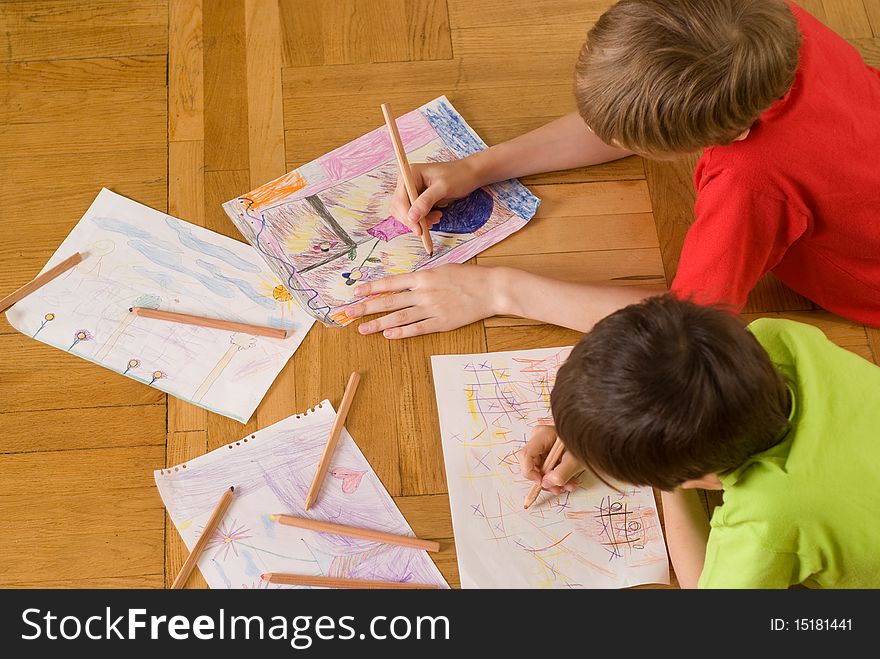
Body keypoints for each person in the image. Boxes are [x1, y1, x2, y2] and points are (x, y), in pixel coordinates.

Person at [343, 0, 880, 339]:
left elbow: (690, 324)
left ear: (732, 134)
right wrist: (477, 167)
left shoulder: (751, 181)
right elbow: (629, 119)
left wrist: (495, 291)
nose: (613, 140)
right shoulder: (761, 25)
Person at [519, 295, 880, 588]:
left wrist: (665, 480)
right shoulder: (777, 336)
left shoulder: (768, 518)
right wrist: (591, 427)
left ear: (691, 479)